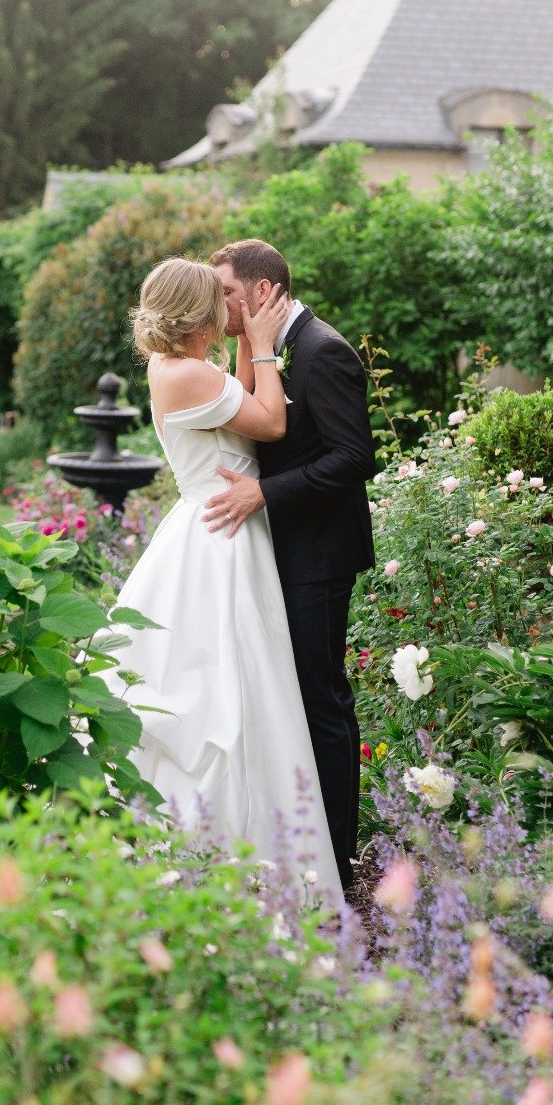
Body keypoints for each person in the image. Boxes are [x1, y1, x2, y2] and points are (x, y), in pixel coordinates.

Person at [113, 255, 341, 900]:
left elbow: (237, 399)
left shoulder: (184, 365)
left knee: (243, 682)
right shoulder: (183, 373)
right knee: (229, 688)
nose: (229, 306)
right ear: (198, 309)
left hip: (219, 526)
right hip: (218, 540)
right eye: (220, 299)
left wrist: (246, 347)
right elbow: (269, 422)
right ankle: (228, 849)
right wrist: (264, 346)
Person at [203, 239, 376, 892]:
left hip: (320, 557)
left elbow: (354, 456)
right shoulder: (267, 349)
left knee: (322, 701)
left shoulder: (324, 350)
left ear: (264, 291)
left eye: (227, 292)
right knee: (294, 701)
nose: (220, 304)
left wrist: (263, 493)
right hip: (282, 553)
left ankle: (336, 858)